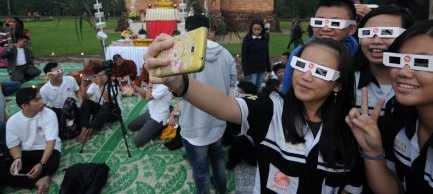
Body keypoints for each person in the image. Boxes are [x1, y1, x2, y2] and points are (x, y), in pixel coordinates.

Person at [145, 37, 363, 193]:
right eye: (302, 65)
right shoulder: (272, 108)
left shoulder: (351, 130)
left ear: (338, 85)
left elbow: (349, 187)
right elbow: (226, 105)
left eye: (321, 71)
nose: (306, 76)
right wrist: (177, 82)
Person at [345, 20, 433, 193]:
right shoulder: (400, 121)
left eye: (422, 63)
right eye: (397, 60)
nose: (403, 72)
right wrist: (373, 151)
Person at [174, 14, 237, 194]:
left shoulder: (185, 54)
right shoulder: (224, 53)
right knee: (217, 158)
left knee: (200, 168)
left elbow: (176, 88)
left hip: (194, 123)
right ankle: (221, 189)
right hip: (218, 119)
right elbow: (233, 81)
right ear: (208, 30)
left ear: (187, 31)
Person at [281, 0, 359, 94]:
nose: (325, 28)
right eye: (319, 22)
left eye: (336, 23)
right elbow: (286, 92)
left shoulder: (357, 51)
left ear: (351, 29)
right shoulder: (299, 54)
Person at [0, 87, 61, 194]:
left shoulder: (49, 114)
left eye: (40, 98)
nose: (42, 102)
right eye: (37, 100)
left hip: (46, 150)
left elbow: (51, 142)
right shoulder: (13, 121)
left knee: (52, 163)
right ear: (24, 106)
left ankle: (35, 174)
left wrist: (41, 164)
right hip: (25, 152)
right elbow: (14, 145)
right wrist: (17, 159)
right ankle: (39, 179)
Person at [354, 6, 414, 118]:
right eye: (367, 33)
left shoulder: (421, 83)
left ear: (408, 36)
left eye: (387, 33)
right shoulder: (347, 81)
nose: (376, 41)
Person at [76, 66, 122, 143]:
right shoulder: (94, 85)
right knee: (86, 103)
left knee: (106, 105)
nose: (100, 77)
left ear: (107, 75)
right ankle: (84, 128)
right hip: (101, 111)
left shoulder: (113, 84)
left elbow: (108, 100)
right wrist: (83, 86)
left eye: (102, 75)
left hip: (114, 112)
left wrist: (101, 86)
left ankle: (90, 131)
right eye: (98, 75)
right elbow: (85, 98)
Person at [40, 62, 81, 134]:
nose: (60, 73)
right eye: (57, 72)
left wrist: (81, 102)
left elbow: (77, 91)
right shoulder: (44, 90)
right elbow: (43, 106)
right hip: (59, 112)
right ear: (49, 75)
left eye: (61, 70)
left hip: (74, 108)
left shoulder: (70, 79)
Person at [128, 83, 172, 147]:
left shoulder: (164, 86)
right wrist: (133, 85)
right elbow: (145, 93)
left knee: (138, 142)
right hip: (150, 113)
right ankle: (151, 127)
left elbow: (147, 98)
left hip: (158, 118)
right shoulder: (155, 81)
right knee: (131, 127)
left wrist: (150, 83)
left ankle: (161, 127)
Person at [241, 19, 271, 91]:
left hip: (261, 68)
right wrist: (246, 71)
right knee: (251, 89)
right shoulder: (247, 39)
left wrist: (268, 68)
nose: (256, 31)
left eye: (259, 29)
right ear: (251, 29)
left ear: (262, 29)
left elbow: (266, 53)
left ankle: (256, 101)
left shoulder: (264, 38)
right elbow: (244, 56)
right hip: (251, 69)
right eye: (254, 29)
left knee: (258, 89)